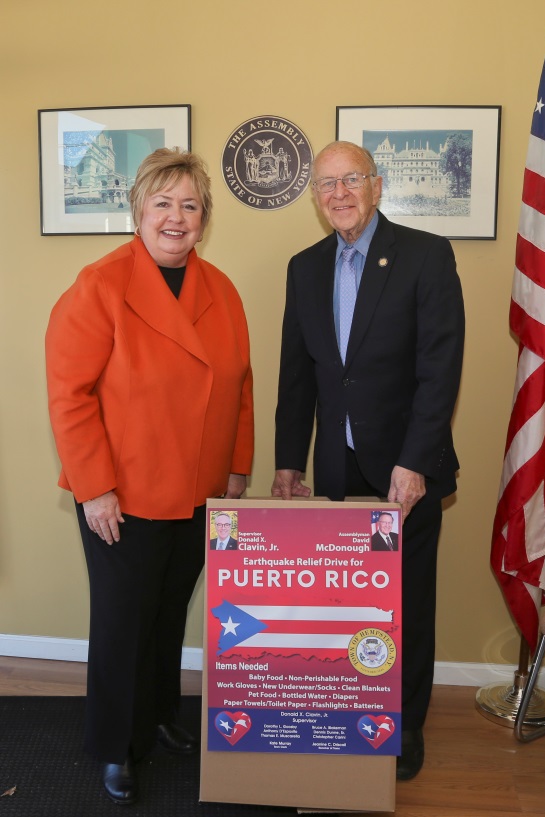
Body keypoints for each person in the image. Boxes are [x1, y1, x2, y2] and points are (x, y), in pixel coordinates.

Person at [46, 147, 254, 805]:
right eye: (163, 202)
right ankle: (115, 743)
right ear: (138, 208)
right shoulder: (99, 284)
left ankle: (160, 714)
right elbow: (69, 394)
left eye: (190, 205)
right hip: (124, 494)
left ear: (204, 218)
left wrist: (239, 465)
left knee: (169, 613)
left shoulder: (220, 288)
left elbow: (240, 384)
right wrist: (93, 487)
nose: (176, 217)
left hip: (198, 489)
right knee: (122, 623)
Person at [271, 141, 464, 781]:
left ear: (376, 185)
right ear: (316, 198)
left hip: (403, 470)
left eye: (350, 179)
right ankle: (351, 713)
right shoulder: (304, 267)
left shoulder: (425, 255)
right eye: (325, 185)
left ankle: (404, 730)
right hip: (335, 471)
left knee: (405, 606)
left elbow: (441, 370)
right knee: (345, 607)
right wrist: (287, 463)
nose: (339, 194)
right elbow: (297, 376)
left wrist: (414, 462)